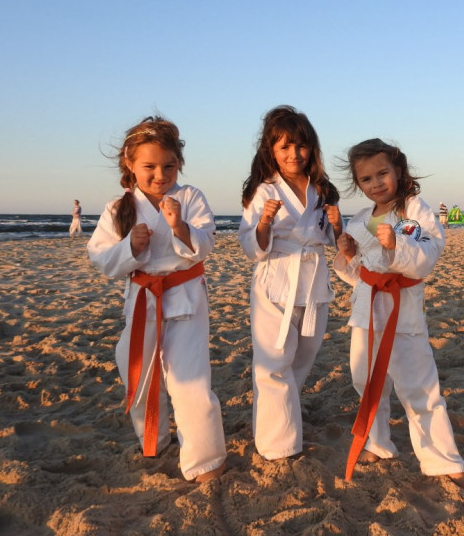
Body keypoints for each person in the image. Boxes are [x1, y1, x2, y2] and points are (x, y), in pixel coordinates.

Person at [87, 116, 227, 483]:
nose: (160, 175)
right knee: (138, 375)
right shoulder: (118, 208)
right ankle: (154, 439)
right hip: (142, 300)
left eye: (169, 166)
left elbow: (205, 245)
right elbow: (100, 258)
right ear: (130, 164)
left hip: (185, 299)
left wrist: (180, 227)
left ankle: (206, 459)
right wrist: (129, 248)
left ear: (179, 164)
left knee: (190, 381)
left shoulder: (190, 197)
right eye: (149, 166)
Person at [334, 138, 464, 489]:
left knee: (418, 385)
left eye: (382, 173)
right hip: (367, 310)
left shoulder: (414, 211)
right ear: (358, 184)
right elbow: (360, 274)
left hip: (402, 309)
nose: (376, 183)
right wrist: (348, 254)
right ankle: (378, 443)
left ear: (398, 170)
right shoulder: (360, 219)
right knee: (365, 380)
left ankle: (443, 459)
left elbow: (429, 253)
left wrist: (398, 244)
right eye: (366, 179)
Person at [238, 105, 342, 461]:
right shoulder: (263, 190)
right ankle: (277, 446)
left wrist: (337, 224)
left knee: (303, 356)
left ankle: (281, 419)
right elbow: (251, 246)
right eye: (284, 147)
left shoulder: (322, 190)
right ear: (271, 150)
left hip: (312, 282)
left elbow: (333, 239)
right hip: (276, 279)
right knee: (274, 361)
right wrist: (264, 223)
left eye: (301, 146)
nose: (294, 154)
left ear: (312, 148)